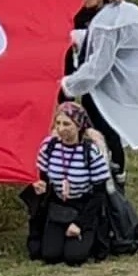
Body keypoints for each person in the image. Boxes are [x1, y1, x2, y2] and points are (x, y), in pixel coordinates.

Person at [60, 0, 138, 186]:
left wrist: (68, 85)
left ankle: (114, 171)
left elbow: (98, 65)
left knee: (105, 125)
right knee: (101, 120)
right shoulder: (120, 12)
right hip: (129, 76)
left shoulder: (107, 23)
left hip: (121, 80)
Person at [25, 103, 111, 267]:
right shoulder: (49, 147)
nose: (61, 129)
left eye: (66, 124)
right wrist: (39, 185)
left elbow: (99, 194)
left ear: (78, 126)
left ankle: (89, 236)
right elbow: (42, 176)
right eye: (58, 123)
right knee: (50, 255)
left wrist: (80, 223)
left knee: (74, 257)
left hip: (83, 206)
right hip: (58, 206)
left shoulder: (91, 152)